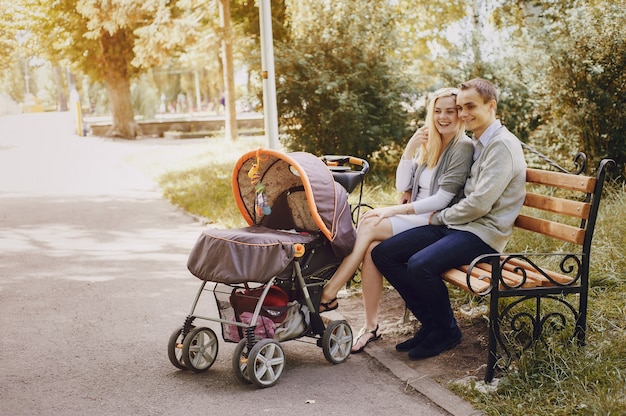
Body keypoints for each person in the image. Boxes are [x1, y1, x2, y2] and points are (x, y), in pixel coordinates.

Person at [371, 78, 527, 360]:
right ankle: (431, 324)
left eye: (470, 107)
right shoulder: (482, 141)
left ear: (491, 106)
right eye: (461, 107)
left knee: (420, 265)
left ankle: (446, 331)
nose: (463, 114)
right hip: (459, 227)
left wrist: (438, 217)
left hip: (483, 234)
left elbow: (480, 204)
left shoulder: (501, 146)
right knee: (385, 254)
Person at [318, 87, 474, 353]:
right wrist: (410, 148)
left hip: (434, 220)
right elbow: (403, 183)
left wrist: (393, 211)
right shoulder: (431, 143)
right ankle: (369, 326)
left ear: (459, 114)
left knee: (368, 224)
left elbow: (441, 201)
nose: (443, 117)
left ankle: (329, 292)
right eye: (437, 111)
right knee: (371, 249)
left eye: (450, 111)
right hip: (416, 214)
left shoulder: (462, 147)